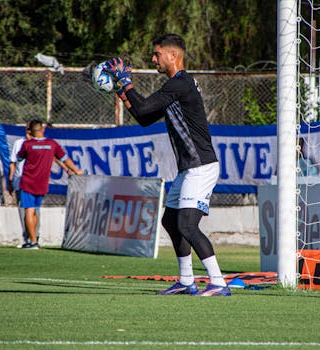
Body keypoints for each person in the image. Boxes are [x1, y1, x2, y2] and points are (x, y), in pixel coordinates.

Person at [102, 34, 230, 296]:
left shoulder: (181, 83)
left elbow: (146, 105)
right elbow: (144, 116)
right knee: (171, 221)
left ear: (173, 55)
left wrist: (126, 80)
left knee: (187, 225)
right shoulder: (176, 87)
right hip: (189, 167)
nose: (153, 59)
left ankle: (219, 283)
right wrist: (120, 90)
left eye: (157, 54)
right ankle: (186, 281)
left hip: (201, 166)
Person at [17, 119, 84, 249]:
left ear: (30, 132)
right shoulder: (52, 144)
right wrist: (75, 171)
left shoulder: (27, 144)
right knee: (35, 210)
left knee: (29, 210)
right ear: (43, 130)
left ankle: (33, 242)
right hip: (42, 183)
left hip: (28, 182)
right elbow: (65, 159)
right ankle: (33, 240)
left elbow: (19, 157)